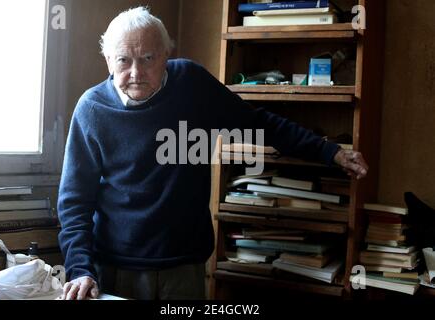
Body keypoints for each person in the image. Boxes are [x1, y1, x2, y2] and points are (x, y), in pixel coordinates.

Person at [57, 7, 368, 300]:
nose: (136, 72)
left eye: (148, 58)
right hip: (115, 267)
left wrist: (330, 152)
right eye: (123, 60)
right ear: (108, 60)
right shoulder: (92, 110)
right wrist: (80, 269)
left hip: (184, 266)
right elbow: (74, 200)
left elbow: (256, 122)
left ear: (167, 55)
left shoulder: (191, 83)